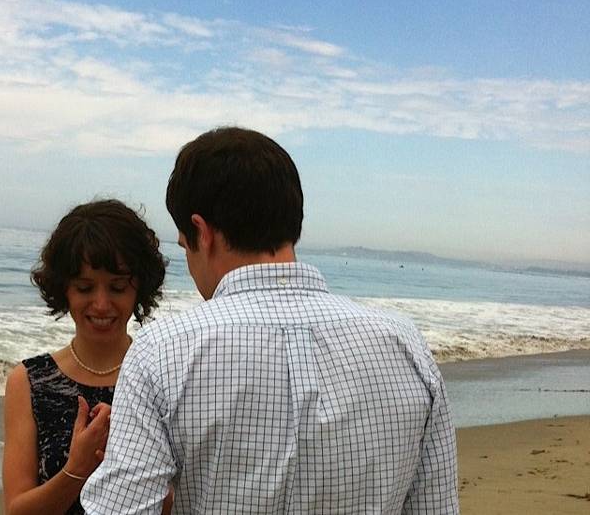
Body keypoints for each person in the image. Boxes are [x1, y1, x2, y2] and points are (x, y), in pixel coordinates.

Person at [82, 127, 459, 514]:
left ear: (201, 231)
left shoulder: (161, 352)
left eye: (185, 247)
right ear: (291, 221)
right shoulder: (405, 343)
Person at [2, 199, 168, 515]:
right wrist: (76, 469)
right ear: (64, 289)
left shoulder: (162, 376)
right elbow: (16, 510)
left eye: (118, 288)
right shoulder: (28, 381)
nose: (102, 304)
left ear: (139, 289)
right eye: (85, 287)